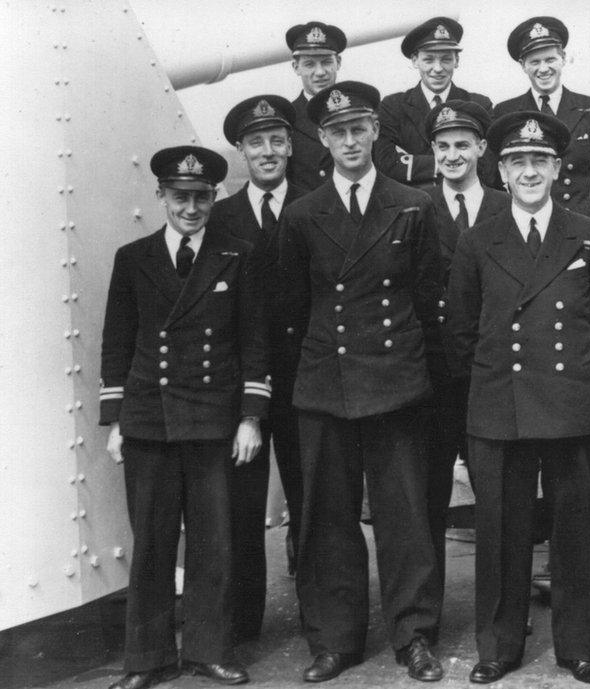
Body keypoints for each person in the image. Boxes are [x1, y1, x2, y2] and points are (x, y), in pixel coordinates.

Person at [276, 81, 445, 683]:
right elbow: (292, 308)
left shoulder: (413, 203)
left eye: (359, 128)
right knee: (327, 519)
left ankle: (414, 635)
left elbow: (431, 299)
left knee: (405, 516)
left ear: (376, 131)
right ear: (322, 140)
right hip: (325, 382)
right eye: (337, 131)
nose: (350, 140)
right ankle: (334, 640)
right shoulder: (301, 214)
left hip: (396, 382)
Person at [448, 111, 590, 685]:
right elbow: (461, 329)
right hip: (501, 404)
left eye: (540, 161)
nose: (530, 172)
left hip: (571, 401)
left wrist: (574, 374)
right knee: (500, 530)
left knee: (574, 531)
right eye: (518, 162)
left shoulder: (589, 234)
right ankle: (498, 647)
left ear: (557, 168)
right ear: (500, 171)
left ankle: (578, 647)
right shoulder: (477, 240)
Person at [100, 146, 269, 689]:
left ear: (214, 198)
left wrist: (251, 417)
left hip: (213, 421)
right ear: (161, 197)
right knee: (150, 543)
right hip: (150, 419)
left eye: (201, 197)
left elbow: (254, 343)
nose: (191, 208)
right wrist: (117, 420)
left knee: (213, 543)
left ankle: (208, 651)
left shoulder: (237, 256)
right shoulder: (134, 258)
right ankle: (146, 660)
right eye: (180, 197)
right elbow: (117, 342)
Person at [208, 95, 308, 642]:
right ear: (242, 151)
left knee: (312, 503)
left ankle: (321, 620)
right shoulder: (221, 217)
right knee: (243, 507)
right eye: (255, 143)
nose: (267, 152)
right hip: (244, 386)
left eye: (276, 140)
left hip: (305, 381)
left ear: (290, 146)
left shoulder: (316, 205)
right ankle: (244, 625)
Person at [419, 99, 510, 615]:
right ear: (432, 152)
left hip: (489, 378)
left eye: (462, 145)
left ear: (481, 148)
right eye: (443, 146)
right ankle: (426, 620)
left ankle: (500, 615)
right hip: (432, 381)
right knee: (428, 502)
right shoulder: (414, 207)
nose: (453, 155)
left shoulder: (505, 205)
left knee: (495, 502)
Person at [492, 17, 590, 217]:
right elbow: (496, 180)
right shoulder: (505, 112)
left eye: (550, 60)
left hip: (579, 224)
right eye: (535, 62)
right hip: (525, 224)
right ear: (523, 65)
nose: (543, 69)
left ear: (563, 59)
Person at [376, 17, 494, 187]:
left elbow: (486, 167)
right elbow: (386, 164)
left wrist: (414, 162)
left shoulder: (479, 105)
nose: (437, 68)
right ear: (415, 60)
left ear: (457, 61)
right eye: (429, 59)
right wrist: (456, 163)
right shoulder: (393, 106)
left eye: (446, 59)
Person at [285, 21, 346, 190]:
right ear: (296, 67)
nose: (320, 72)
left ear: (338, 62)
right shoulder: (287, 119)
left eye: (326, 62)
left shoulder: (363, 111)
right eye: (310, 64)